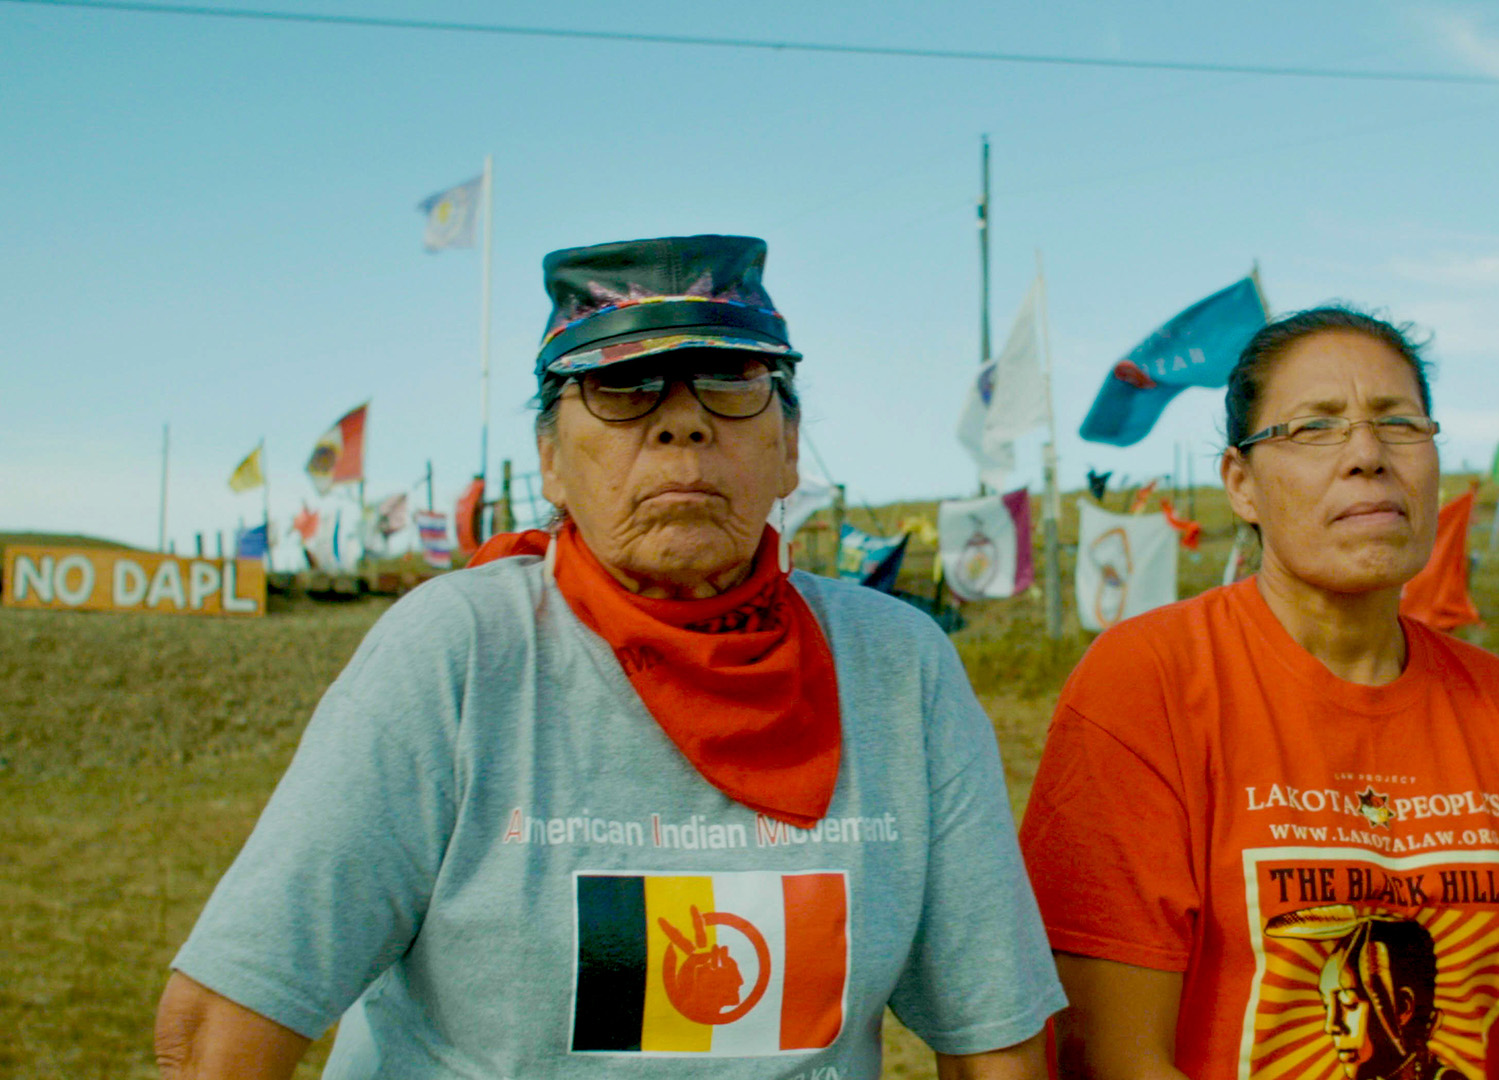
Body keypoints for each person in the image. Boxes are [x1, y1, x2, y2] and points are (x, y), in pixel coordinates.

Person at [156, 235, 1065, 1079]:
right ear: (550, 462)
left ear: (790, 448)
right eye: (623, 391)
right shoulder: (459, 654)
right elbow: (223, 1021)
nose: (683, 425)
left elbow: (1001, 1035)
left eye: (730, 381)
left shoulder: (899, 669)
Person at [1019, 307, 1499, 1080]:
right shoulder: (1151, 680)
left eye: (1399, 424)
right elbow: (1106, 1053)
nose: (1367, 455)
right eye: (1314, 429)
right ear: (1241, 485)